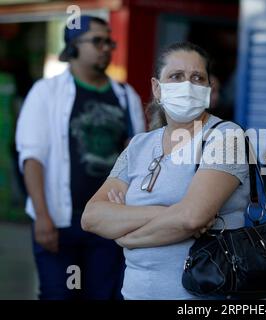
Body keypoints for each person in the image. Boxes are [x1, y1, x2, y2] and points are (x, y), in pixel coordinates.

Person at [80, 42, 250, 300]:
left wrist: (125, 233)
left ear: (207, 89)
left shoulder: (226, 137)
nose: (187, 85)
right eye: (176, 76)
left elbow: (192, 218)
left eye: (197, 78)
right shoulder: (140, 145)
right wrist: (171, 213)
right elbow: (91, 217)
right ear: (157, 89)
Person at [15, 15, 146, 299]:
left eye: (109, 41)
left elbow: (136, 158)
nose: (107, 48)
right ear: (73, 47)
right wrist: (42, 218)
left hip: (109, 224)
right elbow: (32, 158)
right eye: (97, 41)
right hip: (61, 222)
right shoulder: (46, 93)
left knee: (104, 295)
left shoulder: (126, 96)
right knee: (59, 295)